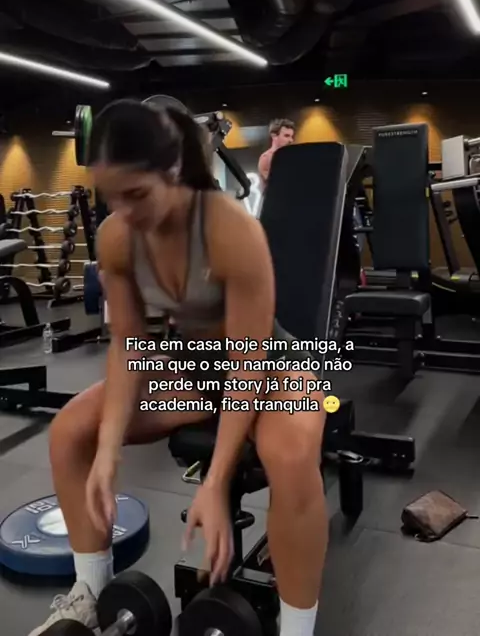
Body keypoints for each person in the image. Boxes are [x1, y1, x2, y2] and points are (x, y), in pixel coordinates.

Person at [30, 100, 327, 636]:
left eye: (137, 194)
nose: (124, 212)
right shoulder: (117, 236)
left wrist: (215, 480)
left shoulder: (232, 232)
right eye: (113, 197)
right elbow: (129, 345)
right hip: (191, 372)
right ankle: (89, 595)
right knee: (72, 430)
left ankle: (298, 630)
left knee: (290, 454)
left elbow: (248, 365)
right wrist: (108, 447)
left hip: (270, 370)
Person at [258, 118, 296, 187]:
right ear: (274, 136)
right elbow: (277, 184)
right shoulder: (266, 157)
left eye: (291, 136)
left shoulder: (291, 157)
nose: (291, 140)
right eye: (286, 136)